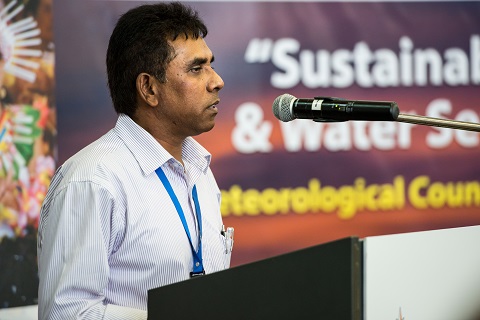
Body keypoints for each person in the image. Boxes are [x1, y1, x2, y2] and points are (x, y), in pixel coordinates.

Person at [37, 2, 232, 319]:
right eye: (197, 69)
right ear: (149, 88)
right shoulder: (93, 180)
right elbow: (66, 314)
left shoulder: (200, 170)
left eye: (211, 65)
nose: (217, 81)